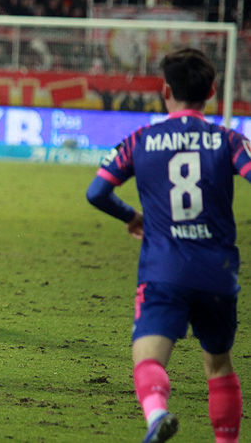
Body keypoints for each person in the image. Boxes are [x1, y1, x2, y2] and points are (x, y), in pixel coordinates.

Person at [86, 48, 245, 443]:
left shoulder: (141, 140)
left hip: (164, 270)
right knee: (219, 367)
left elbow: (97, 192)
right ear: (211, 91)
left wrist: (131, 216)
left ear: (166, 90)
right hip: (218, 273)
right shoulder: (228, 140)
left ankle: (157, 415)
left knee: (149, 359)